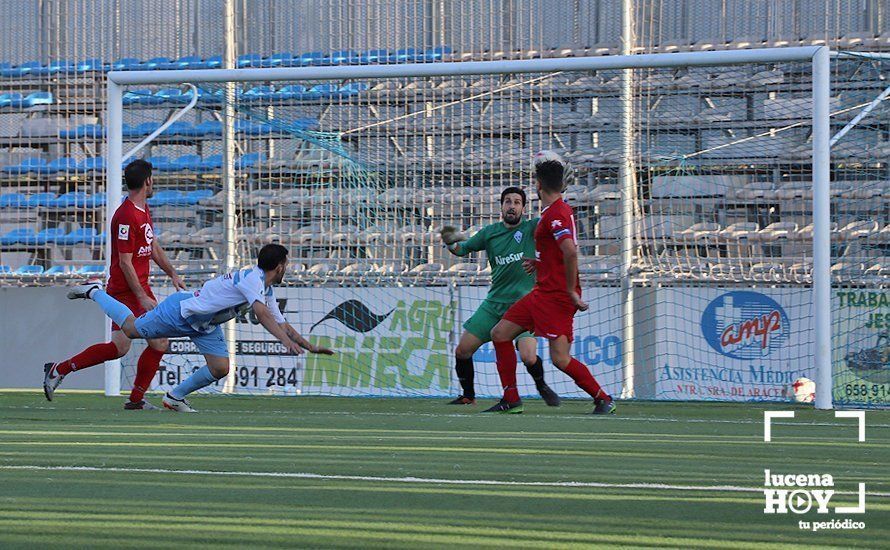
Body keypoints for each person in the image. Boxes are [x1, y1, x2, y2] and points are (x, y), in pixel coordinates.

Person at [59, 244, 334, 412]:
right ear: (280, 265)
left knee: (220, 368)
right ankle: (95, 291)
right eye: (287, 264)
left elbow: (280, 321)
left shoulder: (265, 286)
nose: (288, 268)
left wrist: (309, 346)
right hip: (181, 311)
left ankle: (174, 397)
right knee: (130, 329)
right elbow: (262, 315)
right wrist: (285, 342)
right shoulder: (253, 278)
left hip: (204, 324)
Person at [42, 159, 185, 409]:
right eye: (152, 178)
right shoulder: (126, 215)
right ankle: (136, 399)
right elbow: (126, 262)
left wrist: (172, 272)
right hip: (126, 290)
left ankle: (58, 369)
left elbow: (152, 246)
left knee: (119, 348)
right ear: (148, 181)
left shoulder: (142, 209)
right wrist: (141, 296)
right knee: (160, 342)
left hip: (137, 287)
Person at [486, 153, 615, 414]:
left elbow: (569, 251)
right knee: (499, 334)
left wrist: (570, 291)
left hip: (556, 298)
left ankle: (603, 398)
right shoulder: (554, 211)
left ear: (537, 185)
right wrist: (539, 262)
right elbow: (559, 251)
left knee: (560, 358)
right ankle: (511, 398)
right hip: (542, 294)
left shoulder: (556, 214)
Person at [441, 186, 559, 407]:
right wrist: (449, 241)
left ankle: (542, 386)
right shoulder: (490, 232)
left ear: (523, 208)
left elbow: (553, 215)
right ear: (501, 206)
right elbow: (461, 249)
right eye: (507, 201)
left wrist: (555, 187)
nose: (512, 206)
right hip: (494, 304)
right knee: (462, 350)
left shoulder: (532, 227)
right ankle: (468, 395)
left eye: (516, 202)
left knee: (528, 356)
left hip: (524, 305)